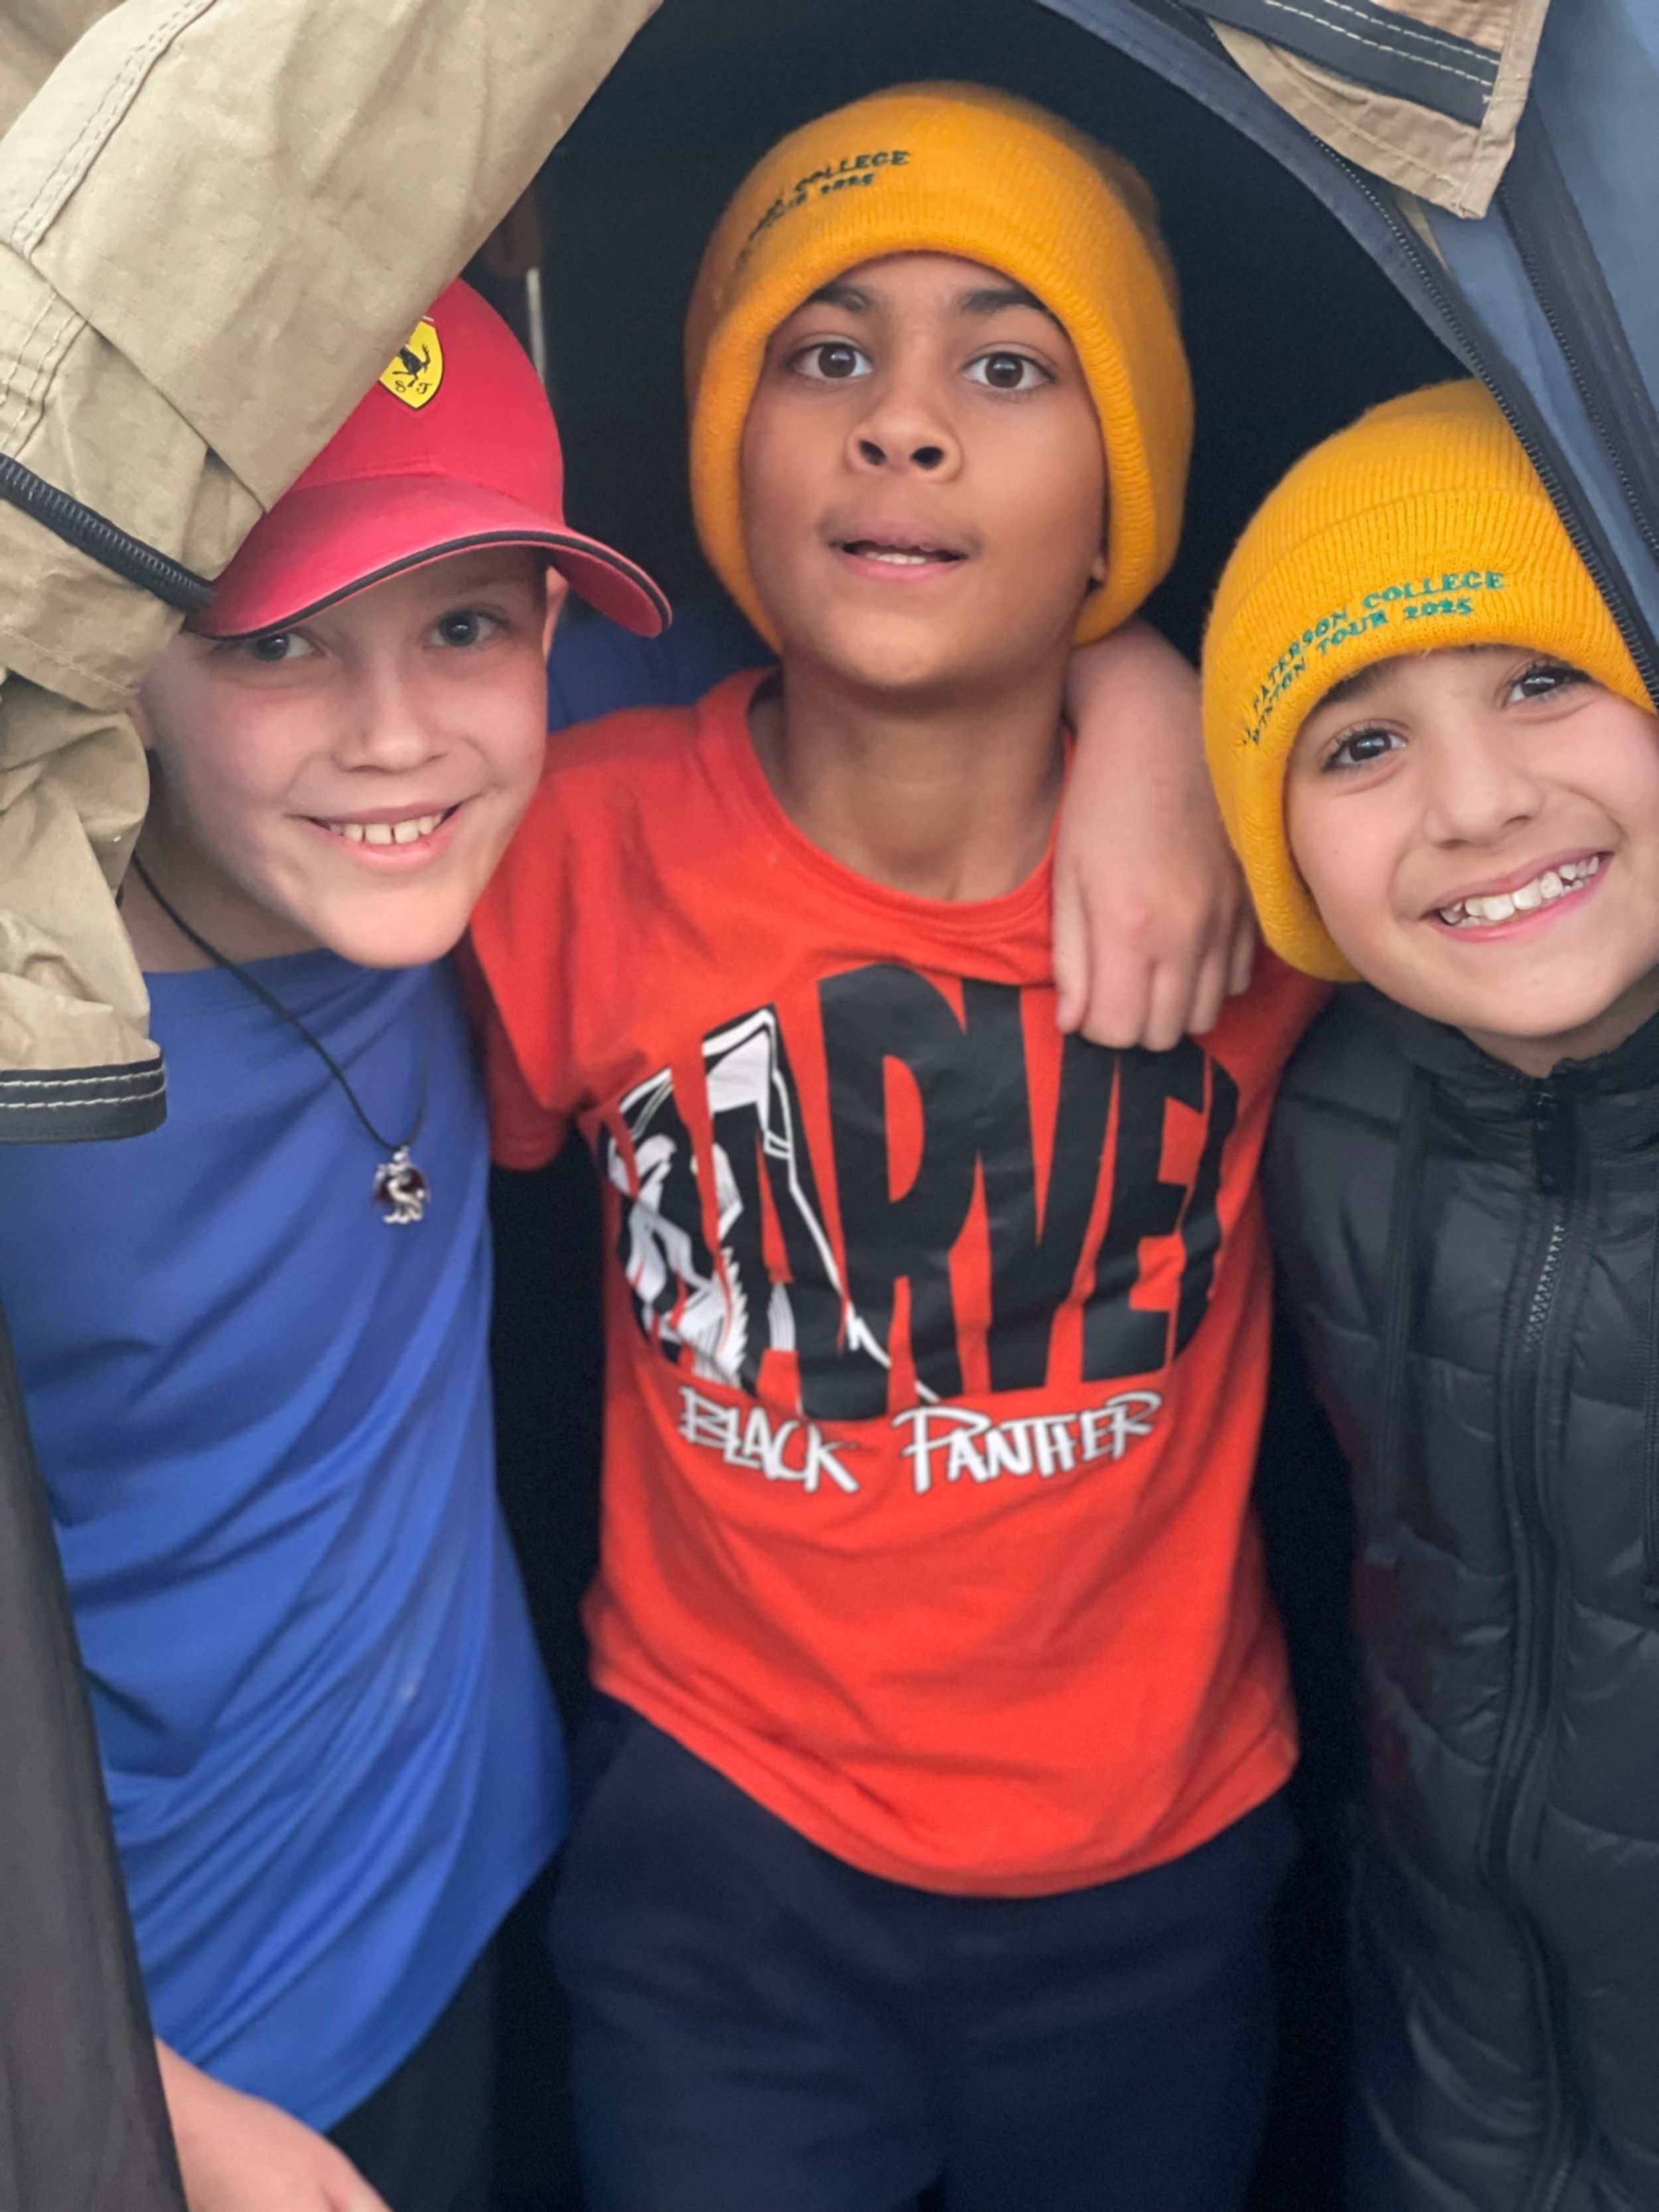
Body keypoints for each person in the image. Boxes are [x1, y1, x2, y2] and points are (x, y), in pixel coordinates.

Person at [469, 84, 1323, 2212]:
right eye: (825, 353)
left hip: (1157, 1866)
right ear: (725, 454)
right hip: (720, 1851)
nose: (904, 426)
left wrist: (1154, 689)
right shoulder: (565, 851)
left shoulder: (1274, 859)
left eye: (1009, 368)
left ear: (1124, 489)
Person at [0, 279, 671, 2212]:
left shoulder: (486, 798)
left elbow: (887, 657)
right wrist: (131, 2098)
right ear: (127, 669)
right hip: (165, 2038)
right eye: (278, 640)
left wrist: (1130, 712)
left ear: (548, 635)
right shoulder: (41, 1061)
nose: (394, 738)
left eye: (463, 624)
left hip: (474, 1884)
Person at [1202, 379, 1659, 2212]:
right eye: (1362, 742)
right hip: (1452, 2078)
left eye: (1543, 678)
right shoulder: (1314, 1111)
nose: (1477, 802)